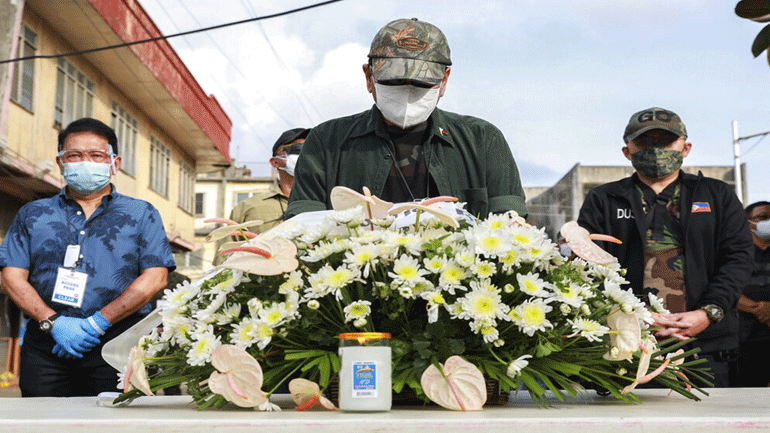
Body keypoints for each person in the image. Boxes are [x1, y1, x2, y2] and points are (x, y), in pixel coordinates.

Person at [577, 107, 754, 387]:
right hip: (624, 349)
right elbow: (589, 264)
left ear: (686, 148)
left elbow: (738, 259)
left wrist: (709, 312)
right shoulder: (605, 199)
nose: (656, 149)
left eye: (666, 141)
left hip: (702, 349)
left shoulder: (716, 195)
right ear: (627, 151)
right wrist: (630, 317)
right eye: (645, 142)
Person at [0, 118, 176, 397]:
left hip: (119, 344)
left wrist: (98, 323)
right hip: (47, 346)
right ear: (60, 162)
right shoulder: (32, 214)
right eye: (74, 155)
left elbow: (156, 277)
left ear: (114, 163)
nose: (85, 162)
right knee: (45, 424)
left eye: (96, 156)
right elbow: (11, 276)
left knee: (116, 424)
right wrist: (52, 321)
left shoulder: (141, 214)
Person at [286, 18, 527, 219]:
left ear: (444, 81)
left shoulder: (483, 141)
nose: (408, 93)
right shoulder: (326, 143)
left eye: (422, 83)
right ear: (369, 77)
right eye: (394, 81)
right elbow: (302, 225)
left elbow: (510, 229)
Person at [213, 128, 309, 265]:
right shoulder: (248, 208)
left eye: (311, 149)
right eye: (296, 149)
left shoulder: (330, 203)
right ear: (275, 162)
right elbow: (225, 262)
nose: (305, 154)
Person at [735, 201, 770, 387]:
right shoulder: (735, 252)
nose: (768, 222)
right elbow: (725, 287)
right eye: (763, 218)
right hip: (743, 340)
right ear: (749, 222)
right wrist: (759, 309)